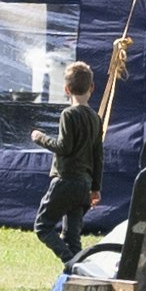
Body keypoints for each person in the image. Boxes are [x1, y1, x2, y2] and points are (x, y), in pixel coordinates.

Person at [35, 38, 131, 264]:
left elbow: (64, 147)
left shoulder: (69, 114)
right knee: (72, 236)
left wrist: (40, 138)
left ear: (66, 89)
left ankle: (70, 261)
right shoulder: (96, 119)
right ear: (92, 88)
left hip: (66, 181)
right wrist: (95, 188)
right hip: (84, 186)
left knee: (42, 226)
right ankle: (78, 268)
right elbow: (98, 156)